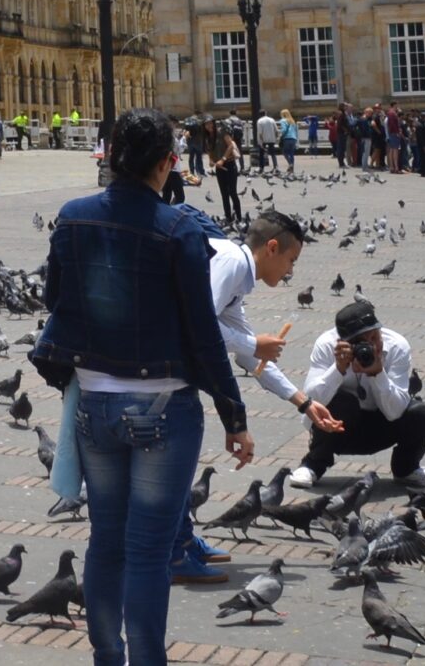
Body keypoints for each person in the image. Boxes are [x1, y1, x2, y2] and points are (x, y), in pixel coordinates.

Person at [32, 108, 253, 666]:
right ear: (166, 164)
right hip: (163, 405)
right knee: (149, 551)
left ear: (110, 156)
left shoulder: (73, 217)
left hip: (94, 405)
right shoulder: (178, 228)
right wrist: (233, 414)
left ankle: (108, 657)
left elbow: (55, 298)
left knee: (106, 542)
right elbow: (202, 331)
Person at [178, 209, 325, 583]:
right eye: (291, 260)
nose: (290, 271)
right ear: (272, 248)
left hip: (173, 374)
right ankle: (174, 551)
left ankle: (181, 540)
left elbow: (248, 355)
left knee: (180, 463)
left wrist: (303, 402)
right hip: (159, 377)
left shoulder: (238, 277)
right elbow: (198, 324)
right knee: (176, 462)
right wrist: (252, 344)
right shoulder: (230, 262)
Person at [289, 298, 425, 491]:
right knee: (342, 401)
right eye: (362, 342)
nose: (373, 346)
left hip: (382, 425)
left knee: (421, 413)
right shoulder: (326, 345)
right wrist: (338, 369)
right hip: (340, 429)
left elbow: (396, 411)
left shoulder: (397, 346)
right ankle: (313, 464)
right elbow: (310, 402)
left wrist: (377, 374)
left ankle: (406, 469)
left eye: (375, 336)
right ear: (344, 342)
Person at [212, 126, 244, 229]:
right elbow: (210, 151)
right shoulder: (211, 137)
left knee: (232, 192)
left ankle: (239, 218)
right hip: (219, 168)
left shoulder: (224, 134)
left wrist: (223, 159)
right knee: (224, 194)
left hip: (230, 165)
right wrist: (212, 160)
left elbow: (231, 146)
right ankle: (228, 217)